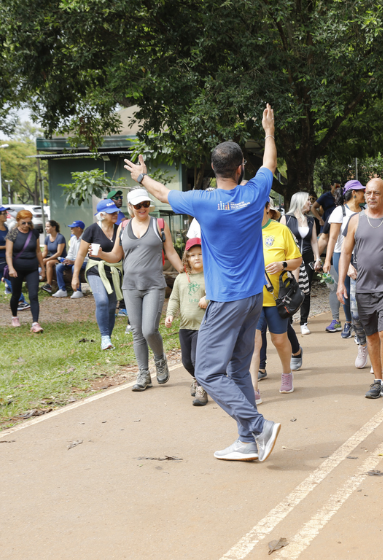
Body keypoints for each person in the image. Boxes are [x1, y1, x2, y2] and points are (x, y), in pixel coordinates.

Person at [124, 104, 281, 463]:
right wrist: (269, 132)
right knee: (238, 369)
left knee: (208, 370)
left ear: (213, 170)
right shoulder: (254, 192)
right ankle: (246, 439)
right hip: (253, 297)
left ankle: (258, 426)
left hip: (225, 300)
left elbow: (162, 194)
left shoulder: (203, 201)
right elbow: (269, 164)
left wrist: (141, 178)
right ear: (241, 168)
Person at [337, 178, 383, 403]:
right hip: (363, 287)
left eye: (376, 193)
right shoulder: (355, 221)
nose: (371, 197)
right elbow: (345, 253)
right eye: (368, 193)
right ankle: (377, 381)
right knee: (370, 335)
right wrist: (341, 282)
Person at [99, 188, 183, 388]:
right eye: (138, 205)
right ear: (130, 207)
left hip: (154, 284)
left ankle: (160, 359)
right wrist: (101, 254)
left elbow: (170, 252)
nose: (142, 208)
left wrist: (184, 271)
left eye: (145, 204)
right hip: (130, 286)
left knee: (149, 330)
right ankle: (143, 374)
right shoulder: (123, 226)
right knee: (137, 331)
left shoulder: (159, 224)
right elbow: (116, 256)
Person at [249, 199, 302, 402]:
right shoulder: (244, 231)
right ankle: (253, 388)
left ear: (266, 208)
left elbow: (297, 260)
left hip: (276, 298)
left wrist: (283, 264)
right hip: (252, 299)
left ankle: (287, 372)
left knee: (279, 340)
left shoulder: (281, 230)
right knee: (254, 343)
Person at [73, 200, 123, 350]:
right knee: (101, 301)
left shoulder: (119, 229)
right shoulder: (92, 230)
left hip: (114, 270)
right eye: (111, 212)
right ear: (101, 215)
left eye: (116, 211)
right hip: (95, 269)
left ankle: (108, 339)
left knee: (112, 305)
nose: (116, 214)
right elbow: (81, 255)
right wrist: (75, 276)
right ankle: (105, 337)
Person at [165, 237, 209, 406]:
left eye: (200, 254)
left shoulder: (210, 276)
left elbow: (220, 294)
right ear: (187, 258)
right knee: (187, 362)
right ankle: (198, 379)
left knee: (197, 360)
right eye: (193, 255)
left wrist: (208, 297)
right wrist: (170, 314)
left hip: (203, 326)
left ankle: (201, 388)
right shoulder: (181, 278)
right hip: (185, 327)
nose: (197, 258)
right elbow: (175, 299)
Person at [323, 180, 365, 335]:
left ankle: (361, 322)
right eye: (362, 191)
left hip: (361, 255)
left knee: (361, 291)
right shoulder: (340, 211)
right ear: (354, 193)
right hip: (341, 255)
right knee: (345, 290)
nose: (365, 194)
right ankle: (348, 322)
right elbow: (332, 238)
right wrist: (327, 260)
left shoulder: (365, 210)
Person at [282, 192, 321, 334]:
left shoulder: (311, 220)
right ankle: (289, 321)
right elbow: (282, 241)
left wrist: (318, 258)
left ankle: (304, 322)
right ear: (299, 202)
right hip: (291, 260)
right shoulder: (286, 218)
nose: (310, 203)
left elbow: (314, 241)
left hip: (308, 259)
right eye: (307, 201)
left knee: (306, 291)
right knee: (291, 289)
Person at [5, 209, 44, 333]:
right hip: (17, 268)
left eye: (29, 223)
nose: (26, 225)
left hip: (32, 268)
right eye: (23, 223)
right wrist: (11, 268)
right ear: (18, 221)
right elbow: (8, 253)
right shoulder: (13, 233)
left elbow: (38, 251)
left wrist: (42, 267)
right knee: (16, 294)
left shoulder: (34, 233)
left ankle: (35, 323)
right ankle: (14, 316)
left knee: (33, 295)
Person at [52, 220, 86, 298]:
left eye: (73, 228)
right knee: (59, 267)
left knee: (75, 267)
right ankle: (62, 290)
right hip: (73, 260)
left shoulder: (86, 239)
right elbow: (70, 253)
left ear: (79, 229)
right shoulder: (73, 239)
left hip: (85, 261)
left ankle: (78, 291)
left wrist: (74, 262)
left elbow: (87, 257)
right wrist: (66, 260)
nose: (71, 229)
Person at [312, 179, 342, 257]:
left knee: (335, 242)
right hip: (327, 222)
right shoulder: (325, 196)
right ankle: (315, 260)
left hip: (338, 221)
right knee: (324, 240)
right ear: (331, 186)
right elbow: (313, 208)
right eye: (336, 186)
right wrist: (320, 219)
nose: (337, 188)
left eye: (339, 187)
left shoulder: (341, 195)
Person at [40, 221, 66, 293]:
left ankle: (49, 285)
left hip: (60, 259)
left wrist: (47, 259)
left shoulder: (60, 237)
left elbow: (59, 253)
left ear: (54, 227)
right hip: (51, 257)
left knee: (48, 263)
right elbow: (45, 252)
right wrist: (39, 259)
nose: (46, 228)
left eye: (48, 226)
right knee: (39, 262)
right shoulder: (47, 238)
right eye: (45, 226)